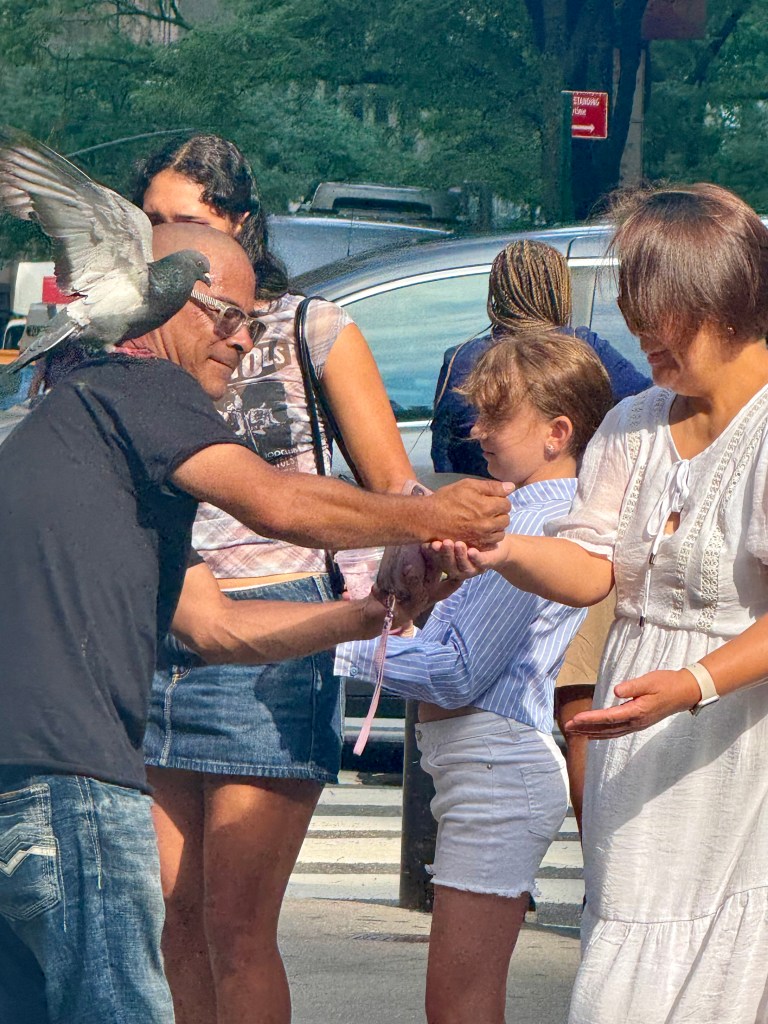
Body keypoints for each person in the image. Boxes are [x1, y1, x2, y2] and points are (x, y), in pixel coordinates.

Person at [0, 222, 511, 1024]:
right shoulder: (141, 385)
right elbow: (275, 501)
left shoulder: (93, 428)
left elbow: (212, 627)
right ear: (166, 300)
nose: (242, 340)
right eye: (226, 315)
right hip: (67, 773)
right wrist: (429, 513)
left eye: (253, 320)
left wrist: (365, 616)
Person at [434, 184, 768, 1024]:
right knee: (623, 968)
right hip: (635, 736)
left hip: (740, 742)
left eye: (662, 310)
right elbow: (590, 567)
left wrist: (692, 683)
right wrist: (501, 547)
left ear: (723, 298)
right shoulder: (630, 421)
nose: (642, 331)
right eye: (632, 305)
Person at [133, 134, 427, 1024]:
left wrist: (425, 544)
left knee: (237, 926)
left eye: (185, 220)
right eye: (150, 222)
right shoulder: (136, 342)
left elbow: (391, 484)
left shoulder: (313, 328)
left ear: (238, 227)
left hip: (272, 633)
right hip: (157, 625)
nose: (164, 238)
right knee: (168, 923)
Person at [337, 332, 614, 1024]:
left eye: (496, 415)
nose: (477, 431)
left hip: (498, 765)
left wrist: (324, 645)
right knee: (461, 1000)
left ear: (558, 432)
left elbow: (458, 671)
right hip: (486, 765)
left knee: (459, 1003)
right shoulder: (525, 512)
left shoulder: (539, 519)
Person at [430, 238, 651, 476]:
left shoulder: (461, 358)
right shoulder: (581, 346)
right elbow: (652, 407)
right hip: (569, 498)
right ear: (559, 291)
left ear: (497, 293)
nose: (478, 429)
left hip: (480, 504)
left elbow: (443, 454)